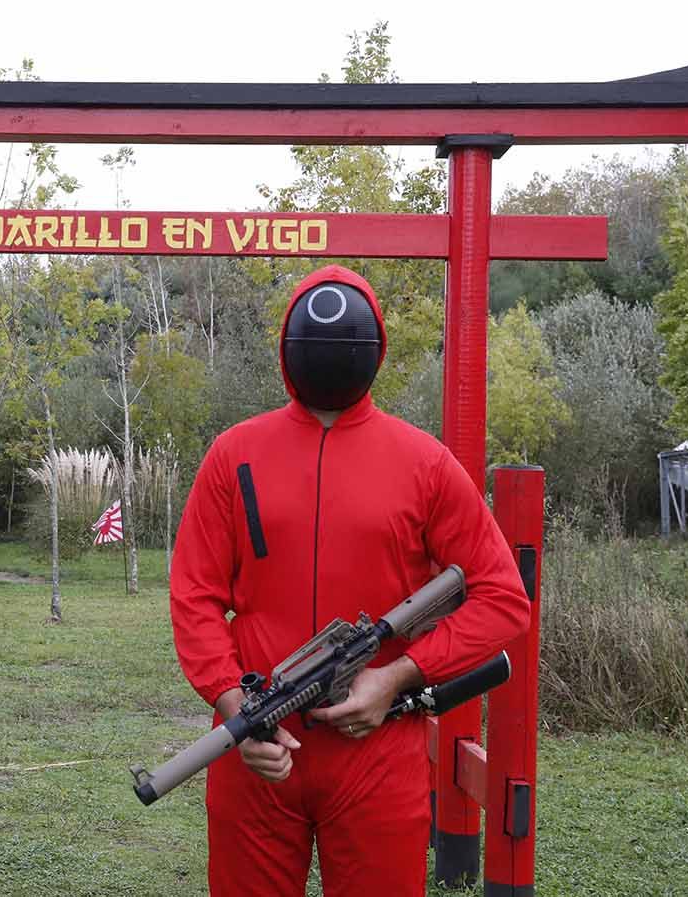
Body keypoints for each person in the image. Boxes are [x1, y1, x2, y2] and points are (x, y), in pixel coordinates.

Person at [170, 264, 530, 897]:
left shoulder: (426, 463)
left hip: (379, 750)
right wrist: (236, 709)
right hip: (256, 747)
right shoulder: (233, 455)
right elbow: (194, 597)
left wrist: (396, 676)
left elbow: (502, 599)